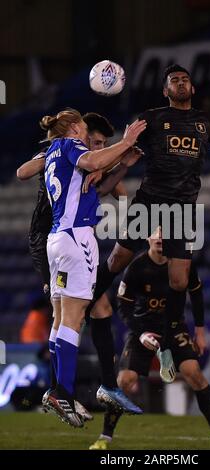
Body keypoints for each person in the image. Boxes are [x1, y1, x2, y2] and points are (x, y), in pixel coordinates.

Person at [86, 64, 210, 384]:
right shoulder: (150, 118)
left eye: (185, 80)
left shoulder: (204, 122)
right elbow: (125, 146)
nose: (180, 83)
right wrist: (101, 167)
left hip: (183, 211)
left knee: (179, 281)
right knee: (117, 260)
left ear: (192, 89)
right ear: (166, 91)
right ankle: (84, 308)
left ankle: (166, 344)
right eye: (174, 81)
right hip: (150, 202)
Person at [17, 112, 142, 417]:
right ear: (75, 128)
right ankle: (64, 393)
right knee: (74, 317)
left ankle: (60, 390)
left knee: (61, 316)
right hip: (75, 238)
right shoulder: (71, 147)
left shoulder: (55, 152)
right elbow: (91, 163)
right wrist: (126, 143)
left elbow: (101, 175)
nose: (89, 139)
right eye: (86, 132)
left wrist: (117, 163)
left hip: (56, 239)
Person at [89, 228, 210, 450]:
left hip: (174, 329)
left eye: (163, 233)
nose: (159, 237)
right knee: (125, 381)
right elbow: (124, 306)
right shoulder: (137, 267)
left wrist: (201, 332)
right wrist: (141, 334)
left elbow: (196, 294)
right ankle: (104, 437)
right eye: (154, 234)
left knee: (194, 374)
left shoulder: (183, 263)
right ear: (147, 238)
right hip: (143, 329)